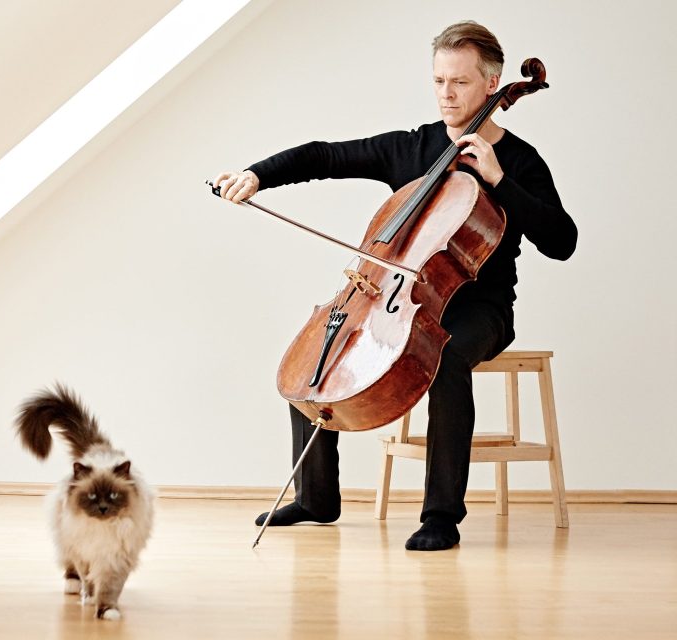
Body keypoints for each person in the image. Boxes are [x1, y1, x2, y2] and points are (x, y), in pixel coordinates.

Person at [212, 21, 577, 551]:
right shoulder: (413, 148)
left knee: (447, 356)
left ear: (493, 84)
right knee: (323, 342)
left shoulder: (519, 160)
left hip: (481, 307)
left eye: (460, 82)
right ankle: (316, 497)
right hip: (397, 296)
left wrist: (499, 181)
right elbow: (324, 155)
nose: (447, 94)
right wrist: (257, 174)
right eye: (438, 81)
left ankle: (441, 517)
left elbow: (562, 241)